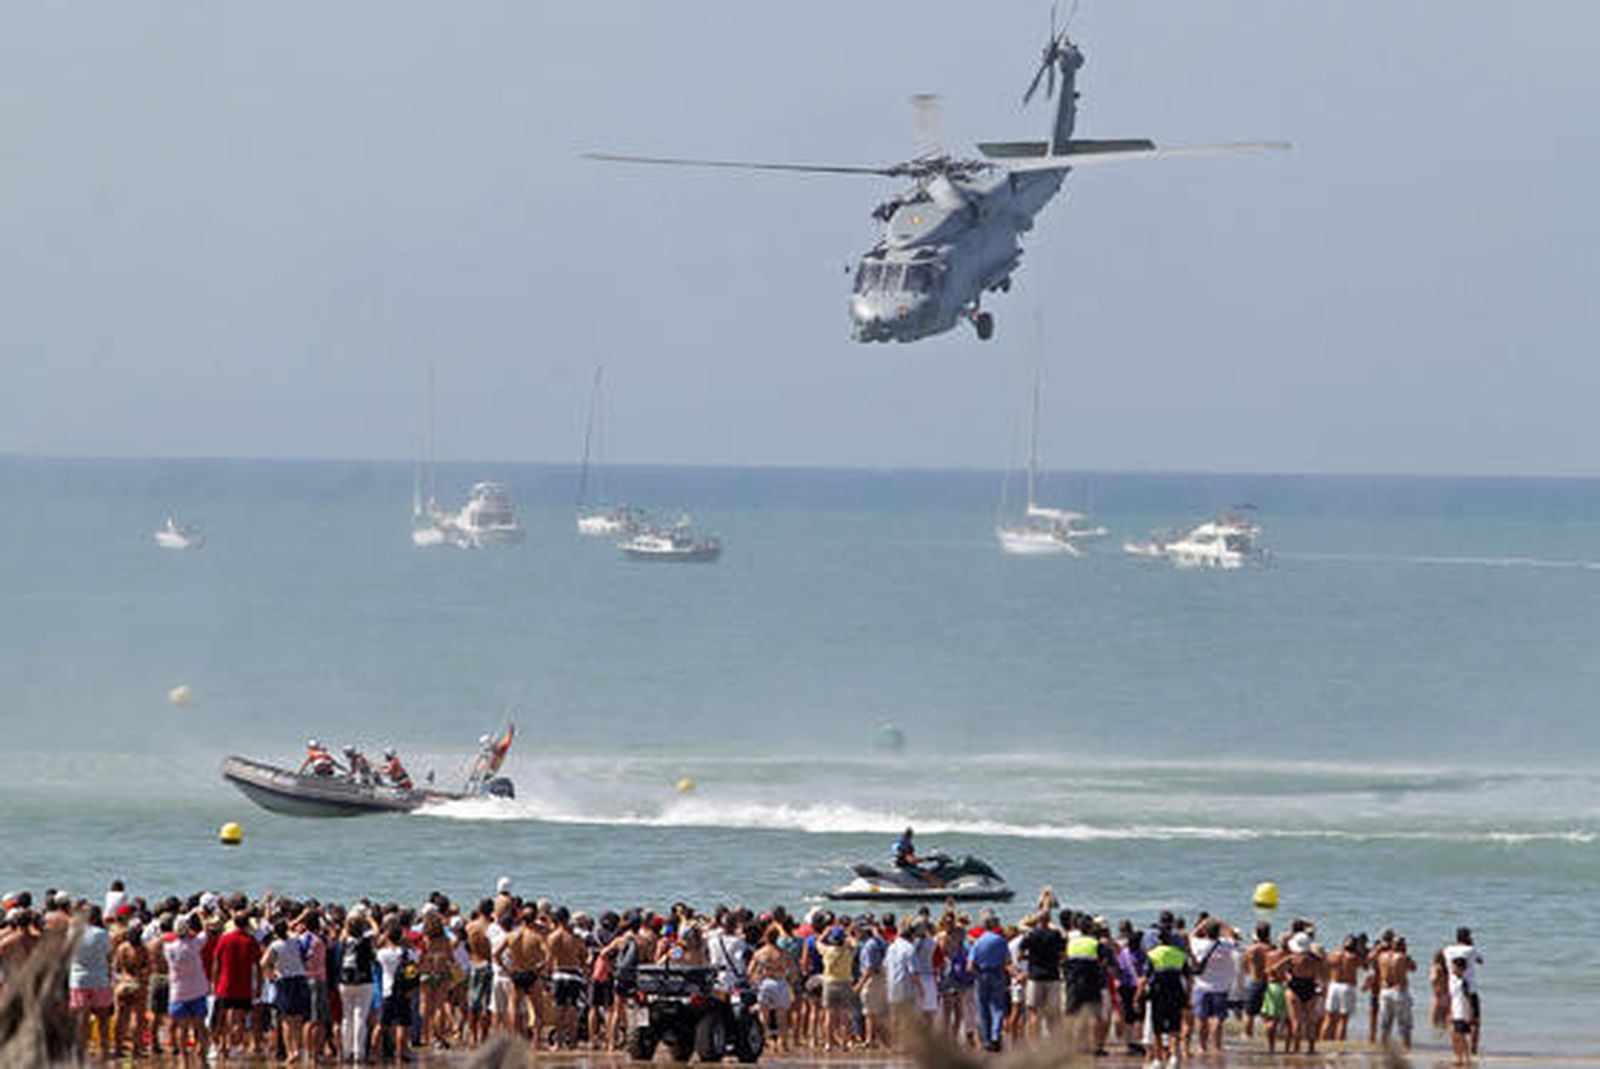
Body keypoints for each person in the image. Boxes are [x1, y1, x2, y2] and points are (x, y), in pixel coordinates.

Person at [210, 910, 260, 1059]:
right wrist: (259, 986)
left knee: (221, 1018)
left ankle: (220, 1045)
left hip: (225, 985)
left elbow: (216, 963)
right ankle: (233, 1046)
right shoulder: (251, 941)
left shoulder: (224, 939)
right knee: (239, 1020)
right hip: (244, 987)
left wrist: (214, 981)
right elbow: (257, 965)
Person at [164, 913, 211, 1066]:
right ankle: (202, 1052)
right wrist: (201, 916)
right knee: (200, 1025)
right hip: (198, 990)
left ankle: (184, 1057)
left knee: (182, 1028)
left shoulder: (169, 949)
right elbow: (206, 931)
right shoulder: (196, 943)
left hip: (179, 992)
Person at [67, 905, 113, 1059]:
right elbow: (108, 956)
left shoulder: (73, 933)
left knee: (82, 1019)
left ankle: (82, 1050)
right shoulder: (103, 934)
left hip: (79, 979)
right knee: (103, 1018)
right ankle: (104, 1050)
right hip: (100, 978)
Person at [1139, 929, 1189, 1069]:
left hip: (1158, 994)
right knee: (1174, 1027)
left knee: (1157, 1029)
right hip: (1176, 992)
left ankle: (1158, 1059)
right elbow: (1188, 978)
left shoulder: (1153, 955)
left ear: (1158, 940)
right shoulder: (1180, 955)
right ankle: (1174, 1057)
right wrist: (1188, 997)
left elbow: (1144, 978)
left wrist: (1138, 996)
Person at [1188, 917, 1238, 1054]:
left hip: (1201, 986)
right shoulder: (1226, 945)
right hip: (1221, 987)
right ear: (1218, 932)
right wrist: (1224, 924)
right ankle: (1216, 1046)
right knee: (1217, 1018)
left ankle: (1202, 1046)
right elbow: (1235, 936)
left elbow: (1190, 935)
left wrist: (1203, 923)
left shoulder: (1197, 944)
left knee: (1201, 1018)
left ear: (1205, 931)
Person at [1018, 912, 1064, 1040]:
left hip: (1035, 976)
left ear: (1038, 921)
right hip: (1053, 976)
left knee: (1033, 1012)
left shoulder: (1031, 935)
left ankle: (1034, 1045)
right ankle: (1054, 1043)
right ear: (1049, 920)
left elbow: (1020, 955)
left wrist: (1031, 957)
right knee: (1053, 1013)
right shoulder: (1056, 935)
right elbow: (1063, 955)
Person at [1443, 927, 1482, 1055]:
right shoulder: (1470, 950)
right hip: (1470, 988)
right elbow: (1480, 960)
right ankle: (1473, 1050)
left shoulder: (1447, 950)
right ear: (1467, 937)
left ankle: (1457, 1051)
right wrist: (1472, 945)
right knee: (1475, 1021)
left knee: (1456, 1020)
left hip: (1453, 988)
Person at [1376, 934, 1417, 1051]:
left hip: (1384, 991)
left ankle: (1383, 1048)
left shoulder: (1381, 956)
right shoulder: (1403, 957)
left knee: (1385, 1023)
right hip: (1399, 991)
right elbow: (1414, 968)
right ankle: (1407, 1049)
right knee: (1405, 1024)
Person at [1320, 934, 1361, 1043]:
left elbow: (1325, 967)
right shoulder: (1355, 958)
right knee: (1343, 1019)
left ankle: (1322, 1043)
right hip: (1347, 986)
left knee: (1328, 1017)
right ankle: (1339, 1046)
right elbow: (1366, 965)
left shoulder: (1334, 954)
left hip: (1334, 985)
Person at [1447, 956, 1472, 1066]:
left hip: (1462, 1012)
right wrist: (1450, 1012)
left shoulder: (1463, 982)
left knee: (1461, 1037)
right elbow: (1452, 997)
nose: (1452, 968)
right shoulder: (1452, 980)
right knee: (1455, 1035)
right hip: (1455, 1011)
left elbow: (1468, 998)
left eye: (1454, 966)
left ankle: (1465, 1059)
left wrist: (1468, 1013)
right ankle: (1459, 1057)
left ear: (1460, 968)